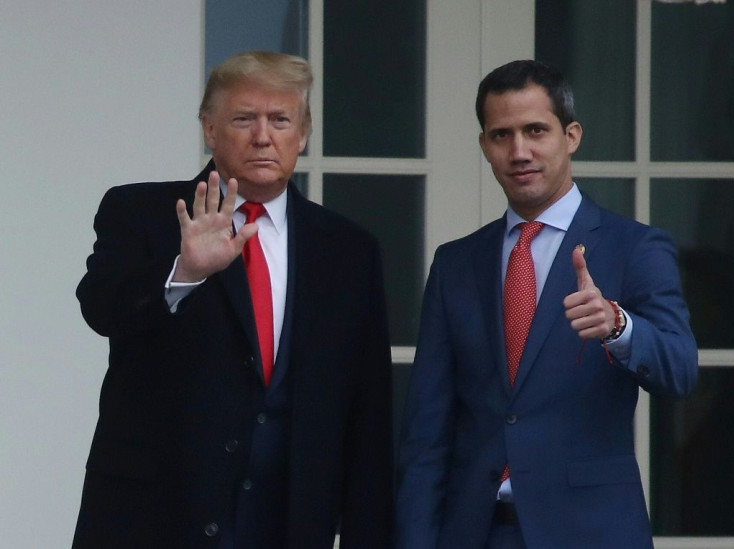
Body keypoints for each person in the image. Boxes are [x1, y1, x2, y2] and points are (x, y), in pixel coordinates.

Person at [73, 51, 393, 549]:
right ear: (210, 129)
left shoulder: (349, 250)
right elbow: (100, 307)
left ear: (303, 134)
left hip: (289, 521)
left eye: (280, 120)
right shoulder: (142, 212)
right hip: (156, 517)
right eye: (244, 119)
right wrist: (185, 271)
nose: (263, 136)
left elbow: (367, 406)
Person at [395, 60, 698, 549]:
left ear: (571, 135)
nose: (520, 151)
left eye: (536, 130)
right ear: (484, 146)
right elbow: (426, 433)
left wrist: (619, 326)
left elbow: (680, 369)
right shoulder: (456, 263)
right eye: (501, 135)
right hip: (475, 531)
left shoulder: (634, 247)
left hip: (589, 531)